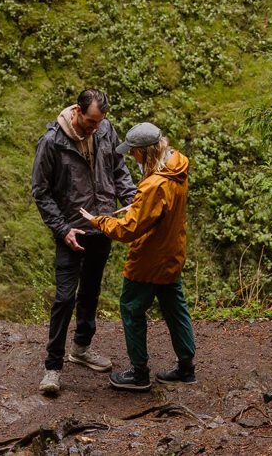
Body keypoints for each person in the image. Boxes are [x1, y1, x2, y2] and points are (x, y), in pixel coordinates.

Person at [31, 88, 137, 395]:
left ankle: (81, 348)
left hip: (102, 225)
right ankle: (53, 367)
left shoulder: (105, 130)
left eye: (99, 122)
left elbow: (119, 170)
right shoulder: (52, 141)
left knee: (90, 292)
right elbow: (41, 192)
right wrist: (62, 229)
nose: (95, 127)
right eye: (91, 122)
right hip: (71, 231)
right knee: (65, 297)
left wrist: (132, 201)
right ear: (78, 111)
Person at [76, 122, 196, 391]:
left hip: (147, 261)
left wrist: (98, 221)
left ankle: (139, 373)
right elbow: (161, 209)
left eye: (134, 151)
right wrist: (138, 206)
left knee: (131, 309)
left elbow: (129, 230)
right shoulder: (177, 168)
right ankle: (186, 367)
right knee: (175, 308)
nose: (131, 155)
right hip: (172, 254)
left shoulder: (153, 185)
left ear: (146, 151)